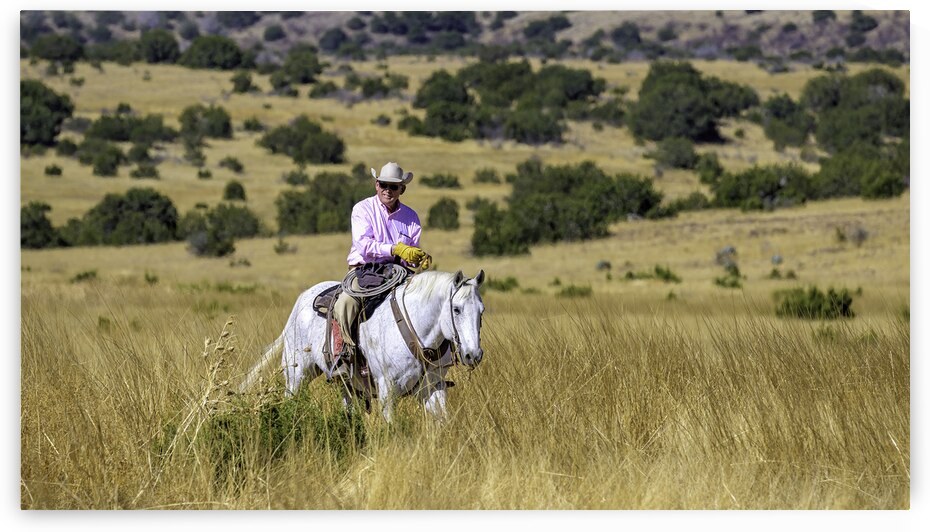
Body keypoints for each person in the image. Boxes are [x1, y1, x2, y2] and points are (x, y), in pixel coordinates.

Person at [332, 161, 431, 366]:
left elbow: (409, 253)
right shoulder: (363, 209)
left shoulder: (411, 217)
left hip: (398, 272)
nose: (388, 190)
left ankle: (435, 354)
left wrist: (416, 257)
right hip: (363, 270)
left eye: (393, 186)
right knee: (345, 303)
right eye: (383, 185)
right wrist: (395, 249)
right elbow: (364, 246)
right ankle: (343, 353)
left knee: (430, 298)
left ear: (402, 189)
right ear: (376, 185)